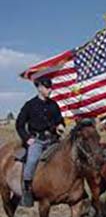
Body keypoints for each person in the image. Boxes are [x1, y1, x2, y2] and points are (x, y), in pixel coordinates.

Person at [15, 77, 65, 207]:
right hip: (36, 141)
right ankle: (26, 191)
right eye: (47, 87)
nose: (50, 90)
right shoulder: (29, 105)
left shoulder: (54, 105)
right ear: (39, 88)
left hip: (53, 140)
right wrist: (27, 138)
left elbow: (60, 120)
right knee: (31, 160)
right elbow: (19, 124)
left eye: (50, 87)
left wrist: (60, 125)